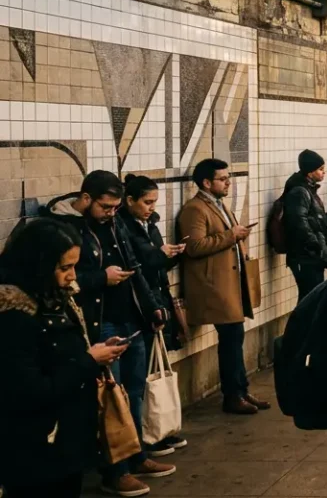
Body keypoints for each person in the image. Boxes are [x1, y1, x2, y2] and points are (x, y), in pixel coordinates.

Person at [40, 171, 173, 494]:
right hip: (99, 321)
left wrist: (152, 304)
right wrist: (102, 277)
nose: (111, 212)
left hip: (131, 317)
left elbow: (134, 266)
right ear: (86, 199)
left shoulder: (116, 224)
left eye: (115, 207)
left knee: (135, 389)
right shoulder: (65, 228)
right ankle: (116, 470)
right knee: (110, 397)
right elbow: (62, 280)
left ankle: (137, 452)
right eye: (105, 206)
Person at [0, 219, 129, 498]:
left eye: (74, 266)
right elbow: (30, 390)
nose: (72, 276)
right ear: (38, 265)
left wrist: (97, 351)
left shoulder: (58, 299)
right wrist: (88, 361)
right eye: (65, 268)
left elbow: (65, 355)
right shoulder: (13, 316)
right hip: (35, 450)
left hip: (67, 443)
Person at [178, 159, 267, 418]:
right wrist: (232, 236)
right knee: (231, 338)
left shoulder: (218, 205)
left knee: (235, 337)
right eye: (223, 178)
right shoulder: (195, 209)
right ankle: (233, 395)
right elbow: (194, 247)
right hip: (213, 286)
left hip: (229, 283)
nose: (228, 182)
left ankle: (240, 389)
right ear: (206, 182)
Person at [118, 175, 189, 454]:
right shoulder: (124, 226)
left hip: (156, 297)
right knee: (140, 376)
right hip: (139, 305)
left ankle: (157, 428)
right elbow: (142, 263)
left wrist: (170, 253)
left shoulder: (149, 223)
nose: (151, 208)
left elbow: (155, 261)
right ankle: (145, 436)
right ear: (130, 200)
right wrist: (160, 254)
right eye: (146, 202)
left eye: (154, 202)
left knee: (153, 371)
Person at [283, 149, 327, 300]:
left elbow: (312, 220)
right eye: (320, 169)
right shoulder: (300, 192)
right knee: (309, 299)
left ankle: (305, 324)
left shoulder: (308, 190)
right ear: (310, 173)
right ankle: (300, 325)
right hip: (306, 256)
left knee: (311, 299)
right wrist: (316, 245)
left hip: (310, 255)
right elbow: (298, 223)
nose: (324, 173)